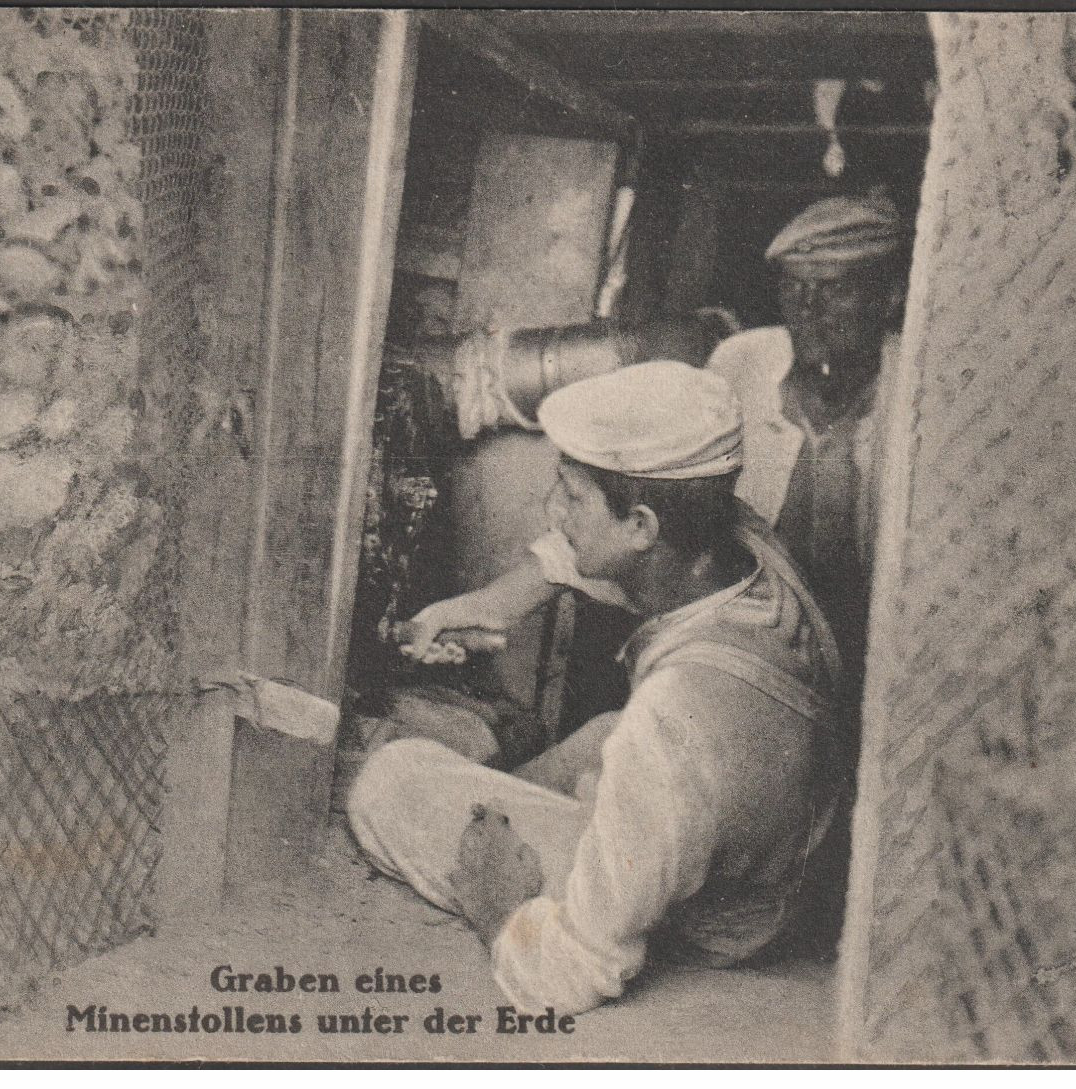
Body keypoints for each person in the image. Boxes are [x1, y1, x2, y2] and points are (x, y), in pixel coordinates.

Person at [346, 362, 844, 1016]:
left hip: (728, 921)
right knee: (604, 735)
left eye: (572, 496)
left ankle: (520, 857)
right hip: (773, 851)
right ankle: (514, 816)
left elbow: (570, 976)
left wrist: (501, 903)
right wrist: (491, 604)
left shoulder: (677, 714)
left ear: (640, 525)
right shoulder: (731, 541)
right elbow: (592, 558)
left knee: (392, 779)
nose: (553, 510)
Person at [707, 193, 909, 692]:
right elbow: (663, 484)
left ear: (892, 295)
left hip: (883, 670)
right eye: (794, 288)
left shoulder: (921, 384)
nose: (808, 309)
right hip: (747, 654)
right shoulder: (743, 363)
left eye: (834, 288)